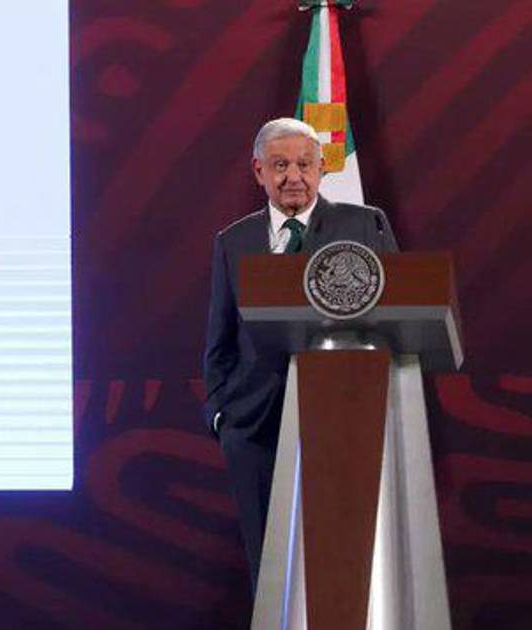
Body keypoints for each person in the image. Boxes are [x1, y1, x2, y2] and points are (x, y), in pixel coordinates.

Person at [202, 117, 398, 593]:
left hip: (343, 418)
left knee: (343, 566)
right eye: (280, 165)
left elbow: (400, 311)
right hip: (253, 426)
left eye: (305, 165)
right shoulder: (233, 241)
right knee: (270, 569)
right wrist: (222, 415)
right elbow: (219, 341)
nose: (294, 176)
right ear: (259, 171)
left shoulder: (362, 224)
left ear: (322, 168)